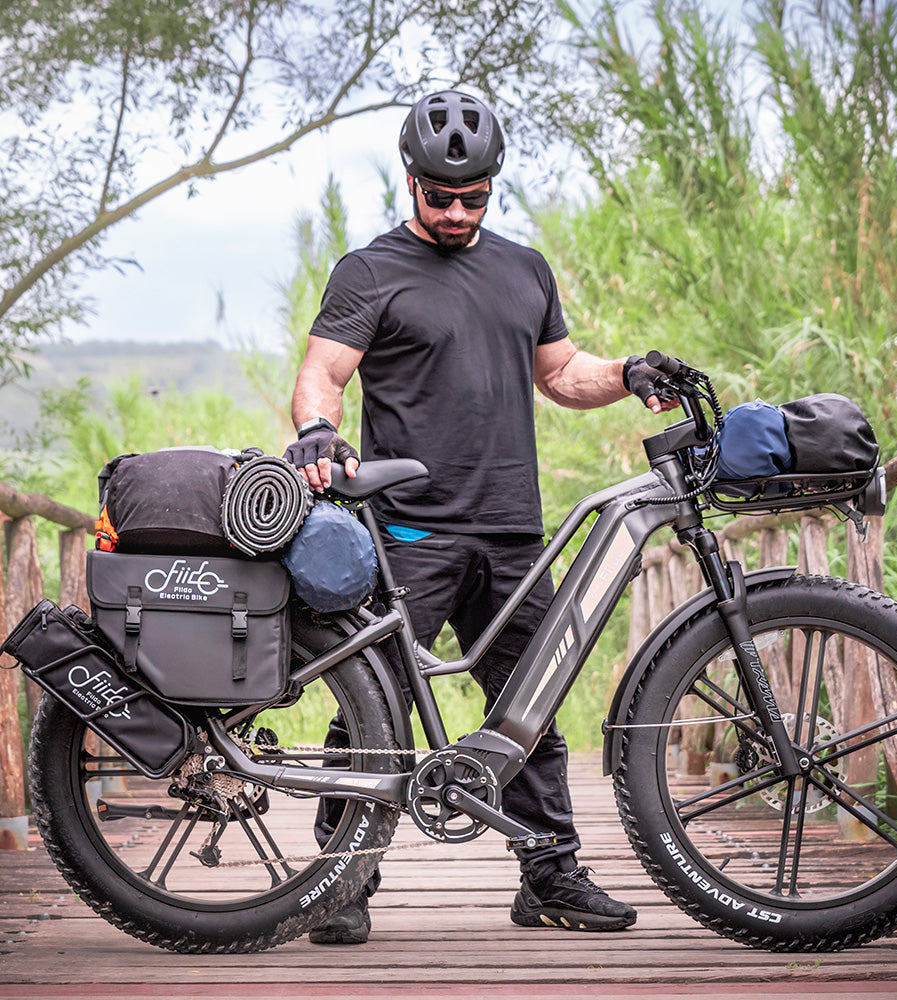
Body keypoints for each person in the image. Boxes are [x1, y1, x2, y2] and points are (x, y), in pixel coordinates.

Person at [284, 89, 677, 945]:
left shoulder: (523, 269)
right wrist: (318, 428)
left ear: (492, 184)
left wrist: (630, 372)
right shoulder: (370, 271)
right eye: (440, 196)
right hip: (411, 534)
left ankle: (551, 879)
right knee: (371, 709)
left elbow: (564, 373)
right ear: (413, 182)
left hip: (511, 530)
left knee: (529, 706)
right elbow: (323, 374)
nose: (457, 211)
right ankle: (338, 883)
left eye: (474, 197)